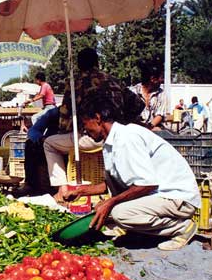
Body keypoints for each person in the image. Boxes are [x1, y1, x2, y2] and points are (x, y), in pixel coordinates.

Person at [64, 97, 201, 251]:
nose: (84, 130)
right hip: (157, 195)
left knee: (119, 214)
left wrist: (111, 202)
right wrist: (81, 191)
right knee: (106, 207)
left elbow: (147, 184)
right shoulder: (111, 141)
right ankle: (135, 229)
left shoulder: (126, 138)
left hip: (176, 197)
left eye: (85, 124)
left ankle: (181, 227)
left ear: (97, 118)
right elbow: (116, 182)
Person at [43, 48, 144, 202]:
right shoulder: (114, 80)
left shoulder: (75, 83)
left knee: (49, 144)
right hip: (117, 135)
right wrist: (123, 122)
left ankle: (62, 190)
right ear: (97, 62)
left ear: (78, 65)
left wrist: (64, 133)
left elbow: (65, 115)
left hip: (91, 138)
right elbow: (138, 105)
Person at [130, 63, 166, 130]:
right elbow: (129, 117)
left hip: (152, 128)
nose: (162, 80)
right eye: (161, 78)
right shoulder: (132, 92)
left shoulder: (161, 93)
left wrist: (149, 127)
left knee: (159, 130)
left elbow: (160, 115)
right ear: (153, 79)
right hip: (134, 129)